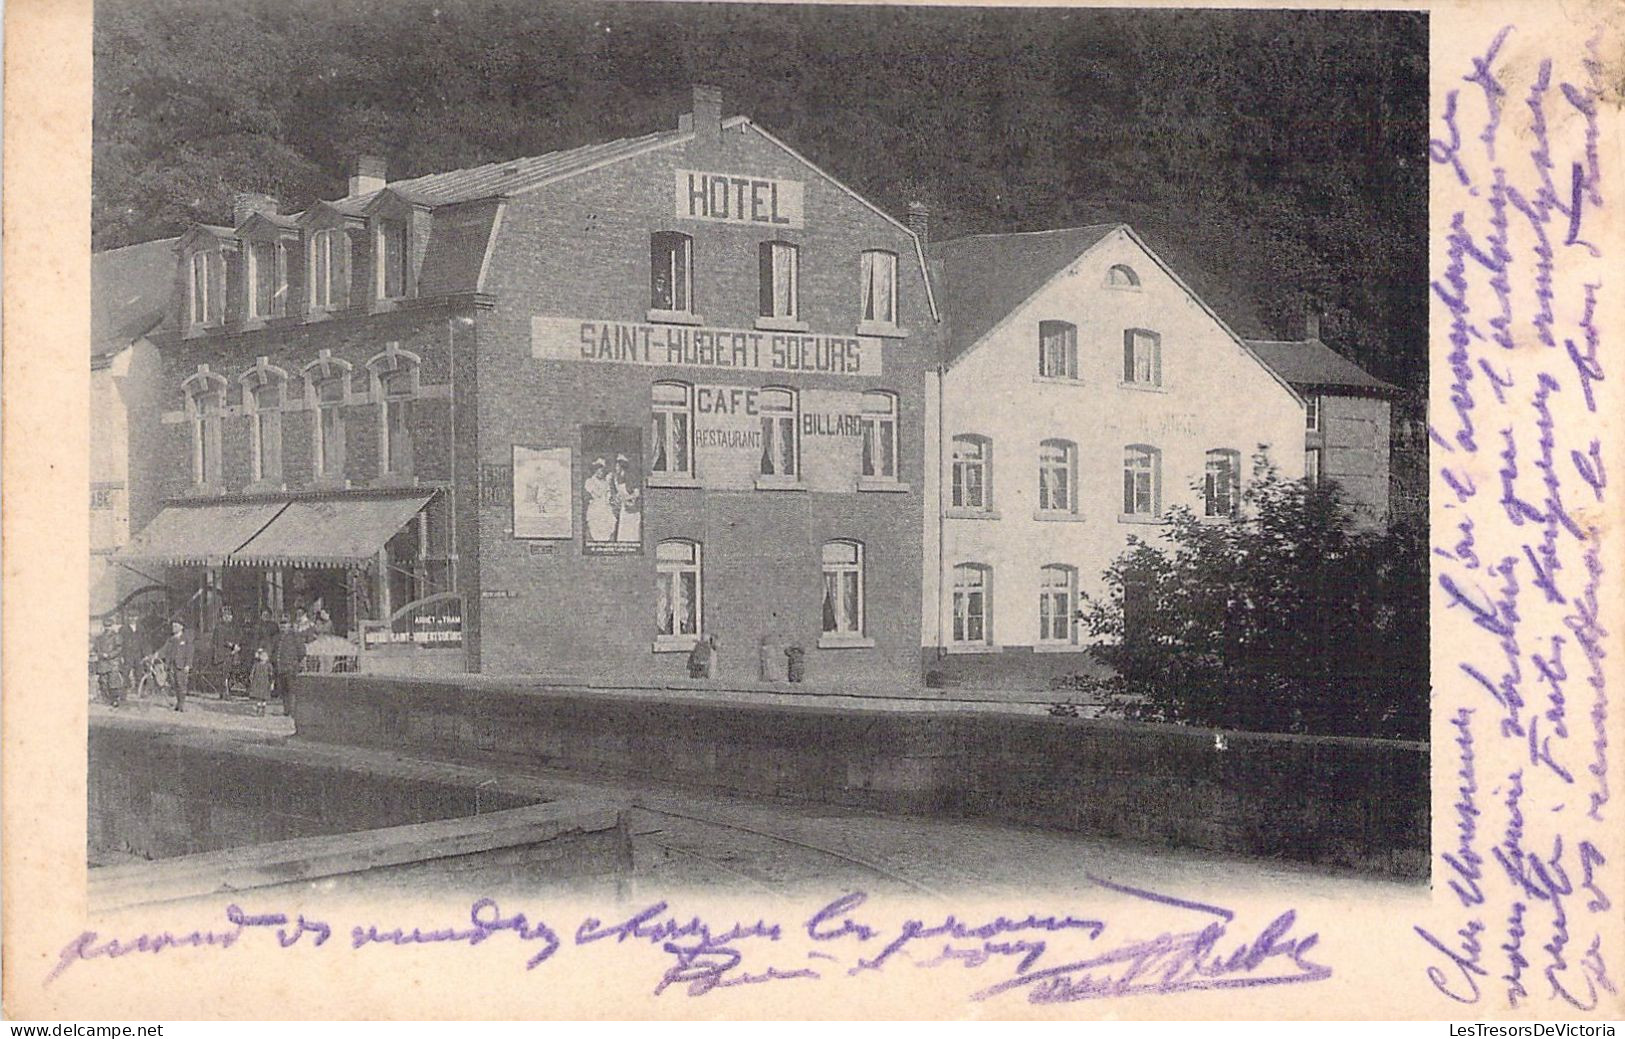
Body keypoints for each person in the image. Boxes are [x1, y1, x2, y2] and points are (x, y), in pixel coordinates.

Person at [273, 615, 306, 717]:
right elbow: (274, 651)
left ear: (289, 625)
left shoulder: (294, 636)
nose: (283, 626)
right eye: (281, 624)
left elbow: (302, 651)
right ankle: (286, 710)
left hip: (291, 667)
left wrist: (295, 662)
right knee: (283, 690)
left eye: (285, 624)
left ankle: (292, 710)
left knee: (291, 689)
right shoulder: (277, 637)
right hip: (280, 667)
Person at [161, 620, 194, 712]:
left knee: (181, 684)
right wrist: (156, 655)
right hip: (172, 665)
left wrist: (188, 665)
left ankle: (182, 704)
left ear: (181, 627)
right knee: (174, 684)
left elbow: (190, 653)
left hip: (181, 665)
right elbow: (164, 650)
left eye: (175, 626)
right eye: (173, 626)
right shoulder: (171, 639)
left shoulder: (186, 639)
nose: (173, 628)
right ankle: (178, 703)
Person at [93, 618, 125, 707]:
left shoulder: (116, 636)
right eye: (106, 626)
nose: (107, 628)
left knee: (113, 681)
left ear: (112, 626)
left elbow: (119, 649)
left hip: (113, 662)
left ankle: (115, 699)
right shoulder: (99, 638)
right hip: (103, 662)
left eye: (109, 626)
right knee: (103, 681)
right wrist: (100, 654)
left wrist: (109, 655)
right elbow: (96, 649)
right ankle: (107, 698)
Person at [611, 455, 642, 543]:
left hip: (633, 511)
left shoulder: (630, 478)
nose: (616, 468)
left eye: (617, 466)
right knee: (623, 534)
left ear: (621, 466)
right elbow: (619, 493)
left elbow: (637, 493)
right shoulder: (617, 479)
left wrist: (627, 498)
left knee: (632, 535)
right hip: (624, 510)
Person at [584, 457, 615, 543]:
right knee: (596, 530)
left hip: (606, 508)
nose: (601, 472)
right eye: (599, 470)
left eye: (603, 470)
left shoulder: (605, 482)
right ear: (595, 470)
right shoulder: (590, 481)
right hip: (596, 508)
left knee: (607, 530)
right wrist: (607, 483)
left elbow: (609, 496)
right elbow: (598, 494)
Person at [247, 646, 274, 716]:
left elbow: (271, 675)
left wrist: (272, 683)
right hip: (257, 683)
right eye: (261, 655)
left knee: (264, 698)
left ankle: (263, 710)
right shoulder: (256, 665)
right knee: (258, 698)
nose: (263, 657)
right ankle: (259, 709)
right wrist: (251, 679)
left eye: (264, 655)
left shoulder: (269, 666)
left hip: (265, 683)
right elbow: (252, 673)